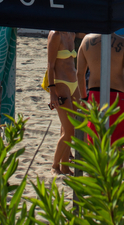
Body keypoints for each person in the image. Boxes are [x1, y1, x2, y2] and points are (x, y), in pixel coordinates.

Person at [76, 32, 124, 145]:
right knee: (117, 146)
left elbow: (80, 74)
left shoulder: (86, 40)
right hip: (118, 98)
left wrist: (84, 98)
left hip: (95, 97)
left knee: (96, 144)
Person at [46, 30, 80, 175]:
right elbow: (50, 65)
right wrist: (52, 90)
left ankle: (65, 165)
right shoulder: (56, 35)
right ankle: (55, 165)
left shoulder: (71, 33)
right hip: (60, 83)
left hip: (74, 83)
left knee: (69, 128)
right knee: (70, 130)